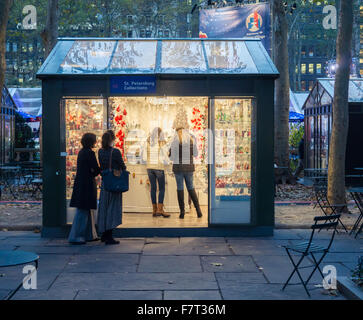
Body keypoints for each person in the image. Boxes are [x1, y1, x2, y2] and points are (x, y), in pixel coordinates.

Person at [169, 108, 203, 219]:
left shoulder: (174, 141)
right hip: (189, 168)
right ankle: (198, 211)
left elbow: (171, 156)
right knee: (191, 188)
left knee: (180, 188)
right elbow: (196, 154)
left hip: (178, 168)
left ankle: (182, 212)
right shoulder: (191, 140)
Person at [68, 133, 100, 244]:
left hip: (81, 183)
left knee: (84, 210)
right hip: (87, 184)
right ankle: (77, 235)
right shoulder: (90, 153)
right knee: (84, 210)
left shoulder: (82, 152)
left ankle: (90, 234)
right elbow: (95, 169)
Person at [97, 130, 127, 245]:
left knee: (104, 207)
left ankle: (104, 234)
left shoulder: (100, 151)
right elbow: (122, 166)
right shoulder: (115, 152)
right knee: (112, 208)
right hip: (114, 183)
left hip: (105, 183)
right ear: (112, 139)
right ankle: (109, 235)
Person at [142, 127, 170, 218]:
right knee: (162, 188)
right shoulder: (162, 142)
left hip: (149, 168)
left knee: (153, 188)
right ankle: (160, 209)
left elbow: (144, 158)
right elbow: (165, 158)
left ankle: (154, 210)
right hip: (159, 167)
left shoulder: (147, 142)